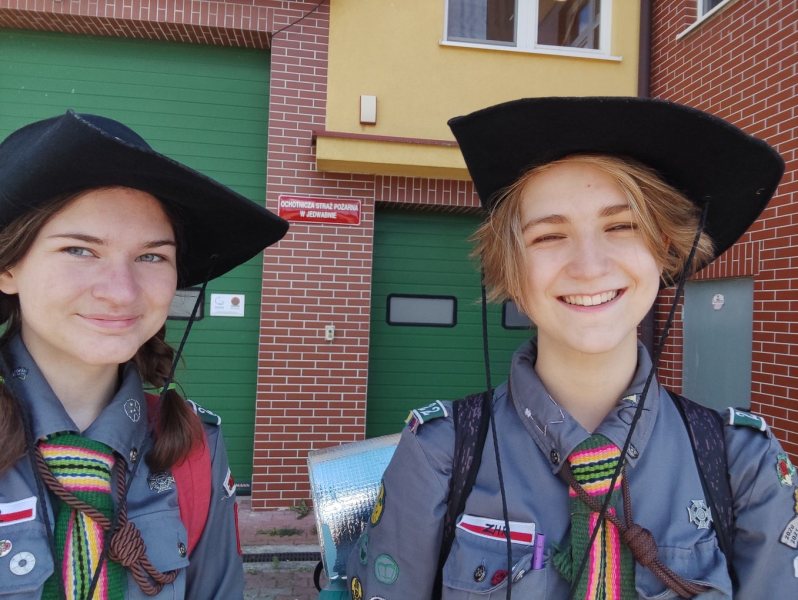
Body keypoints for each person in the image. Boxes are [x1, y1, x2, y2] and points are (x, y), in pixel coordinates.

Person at [346, 97, 798, 599]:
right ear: (511, 271)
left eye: (621, 226)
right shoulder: (440, 456)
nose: (588, 266)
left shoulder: (743, 466)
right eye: (549, 236)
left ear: (666, 249)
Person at [0, 111, 288, 599]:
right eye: (79, 250)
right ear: (8, 268)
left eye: (151, 256)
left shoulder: (192, 446)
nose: (121, 291)